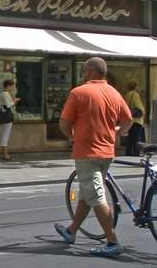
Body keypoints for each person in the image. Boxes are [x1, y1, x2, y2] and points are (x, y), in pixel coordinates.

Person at [54, 57, 133, 256]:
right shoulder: (113, 92)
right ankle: (71, 231)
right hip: (106, 152)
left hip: (87, 153)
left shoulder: (79, 92)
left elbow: (64, 122)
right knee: (87, 193)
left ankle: (112, 241)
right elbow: (128, 120)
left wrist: (73, 136)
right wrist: (116, 132)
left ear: (88, 72)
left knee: (96, 195)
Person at [123, 78, 146, 156]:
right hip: (137, 120)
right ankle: (136, 152)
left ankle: (128, 152)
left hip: (130, 119)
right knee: (136, 138)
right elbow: (139, 106)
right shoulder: (135, 95)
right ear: (135, 86)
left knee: (130, 137)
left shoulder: (128, 94)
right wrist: (143, 111)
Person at [0, 79, 20, 161]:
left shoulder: (5, 94)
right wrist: (14, 101)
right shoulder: (6, 94)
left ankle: (5, 153)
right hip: (7, 116)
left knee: (5, 134)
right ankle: (5, 154)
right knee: (6, 134)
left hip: (7, 116)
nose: (14, 87)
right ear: (8, 86)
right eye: (13, 86)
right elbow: (8, 105)